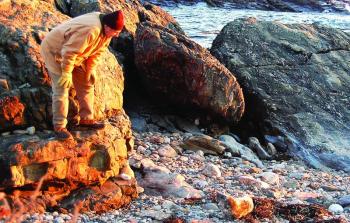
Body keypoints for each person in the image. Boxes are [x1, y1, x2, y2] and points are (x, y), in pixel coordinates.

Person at [40, 10, 124, 140]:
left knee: (87, 82)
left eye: (118, 32)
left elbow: (98, 51)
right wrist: (67, 73)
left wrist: (90, 69)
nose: (117, 35)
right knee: (61, 89)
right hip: (55, 52)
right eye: (115, 32)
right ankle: (59, 126)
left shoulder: (107, 31)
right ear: (107, 26)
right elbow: (69, 52)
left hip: (77, 54)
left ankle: (86, 119)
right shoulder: (92, 29)